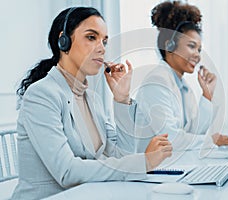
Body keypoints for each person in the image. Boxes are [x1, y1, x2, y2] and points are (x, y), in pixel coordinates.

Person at [12, 7, 172, 200]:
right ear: (64, 41)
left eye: (104, 41)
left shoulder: (92, 99)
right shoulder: (41, 95)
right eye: (91, 37)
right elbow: (67, 172)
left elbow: (121, 156)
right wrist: (143, 162)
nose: (102, 48)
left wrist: (121, 100)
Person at [134, 1, 228, 152]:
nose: (197, 56)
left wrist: (207, 95)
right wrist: (210, 140)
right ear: (170, 45)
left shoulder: (182, 86)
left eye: (199, 49)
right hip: (152, 171)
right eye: (192, 46)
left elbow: (193, 134)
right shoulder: (156, 83)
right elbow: (170, 138)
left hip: (172, 166)